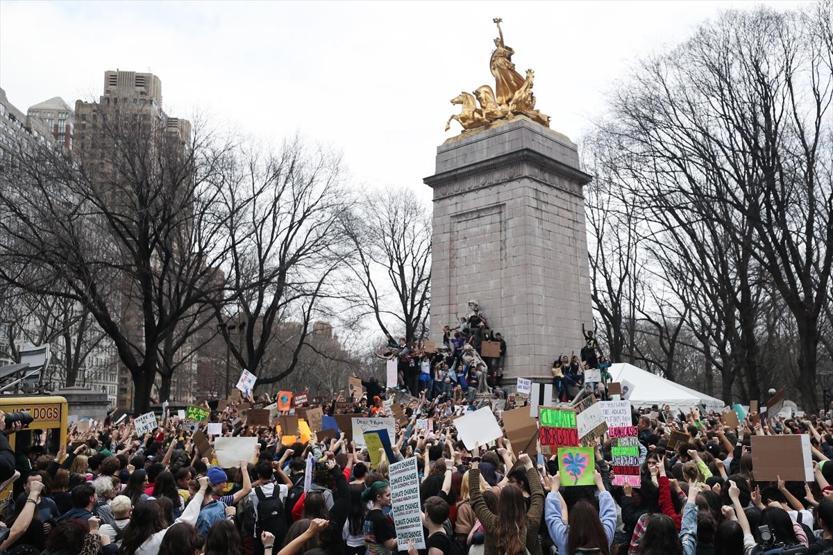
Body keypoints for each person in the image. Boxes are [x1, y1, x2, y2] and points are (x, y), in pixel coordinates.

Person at [469, 452, 544, 555]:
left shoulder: (492, 523)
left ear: (500, 503)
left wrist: (475, 463)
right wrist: (529, 465)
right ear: (521, 503)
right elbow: (538, 495)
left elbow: (476, 498)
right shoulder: (531, 523)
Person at [118, 475, 208, 555]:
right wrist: (203, 488)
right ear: (154, 520)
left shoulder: (128, 537)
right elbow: (185, 520)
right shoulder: (155, 541)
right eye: (160, 515)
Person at [544, 470, 615, 555]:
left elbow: (552, 517)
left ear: (572, 520)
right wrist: (600, 485)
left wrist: (554, 488)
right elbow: (609, 512)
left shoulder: (564, 538)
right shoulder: (604, 536)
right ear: (595, 518)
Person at [362, 481, 397, 554]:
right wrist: (404, 535)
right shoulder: (381, 519)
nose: (390, 498)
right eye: (387, 495)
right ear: (378, 497)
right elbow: (390, 545)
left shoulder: (369, 514)